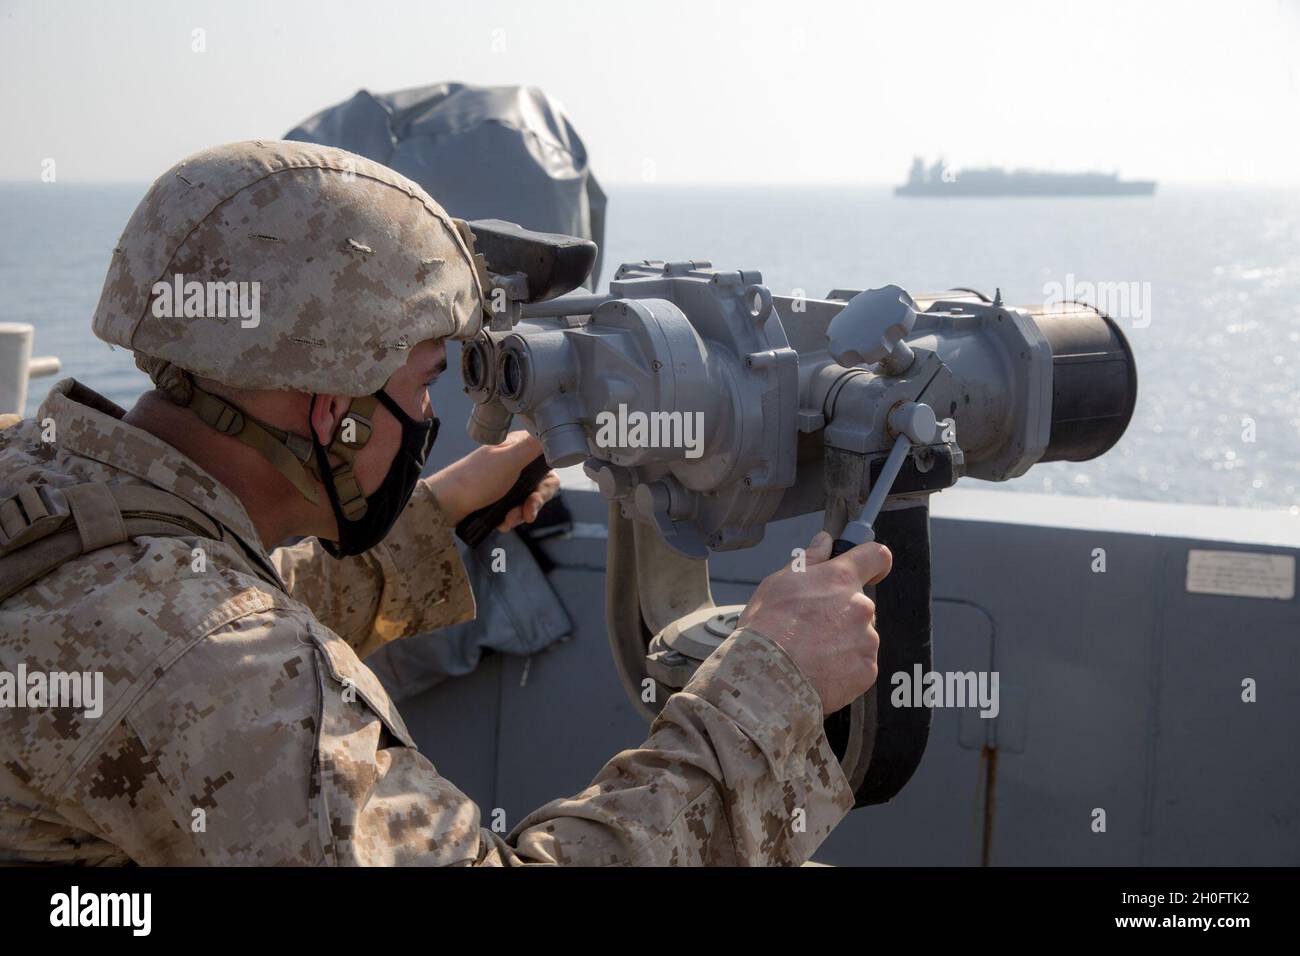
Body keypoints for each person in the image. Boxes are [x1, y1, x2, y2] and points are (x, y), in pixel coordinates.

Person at [0, 140, 891, 865]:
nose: (433, 416)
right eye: (426, 381)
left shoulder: (50, 488)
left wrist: (435, 521)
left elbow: (175, 601)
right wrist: (768, 693)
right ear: (332, 412)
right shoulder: (225, 674)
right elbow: (201, 658)